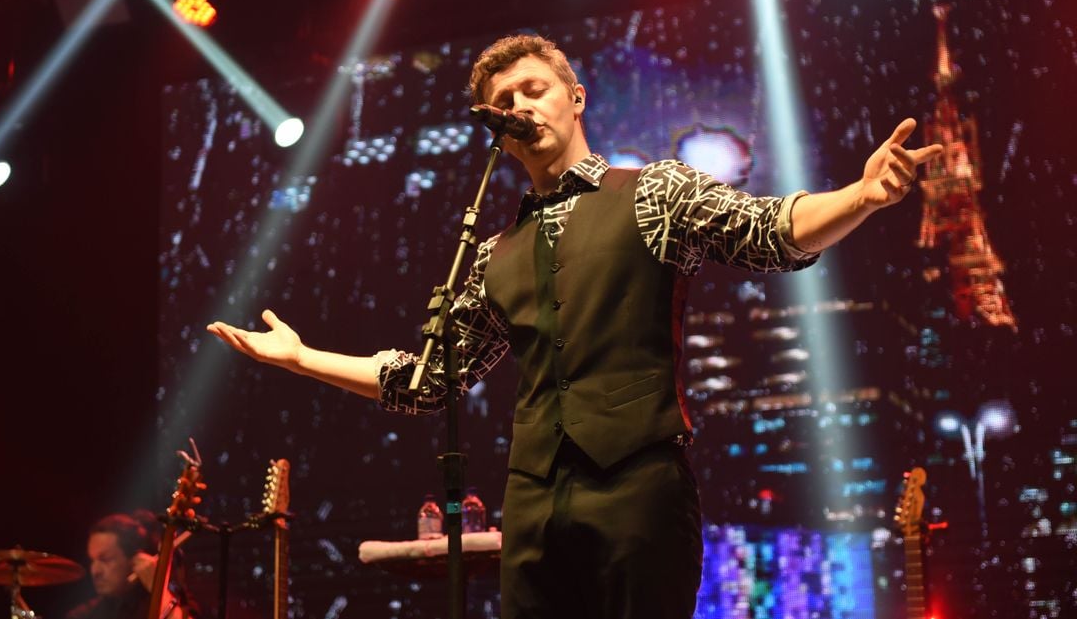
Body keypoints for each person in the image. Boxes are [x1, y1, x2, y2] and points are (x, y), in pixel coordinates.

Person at [207, 34, 944, 618]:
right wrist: (302, 358)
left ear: (575, 97)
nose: (522, 103)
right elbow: (428, 379)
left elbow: (769, 229)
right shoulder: (492, 251)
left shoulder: (655, 191)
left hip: (639, 487)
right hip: (532, 506)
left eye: (535, 88)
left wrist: (862, 195)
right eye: (505, 99)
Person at [66, 513, 191, 619]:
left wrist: (158, 588)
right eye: (92, 561)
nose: (95, 571)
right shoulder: (84, 615)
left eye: (105, 559)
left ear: (135, 558)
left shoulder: (173, 601)